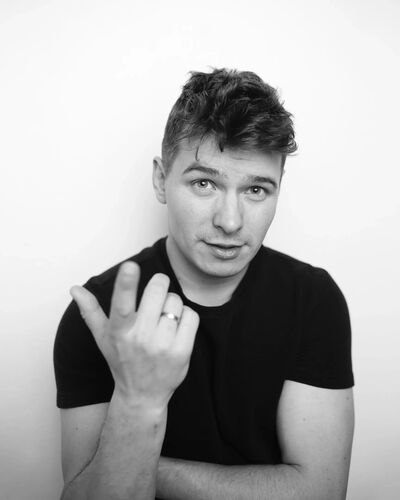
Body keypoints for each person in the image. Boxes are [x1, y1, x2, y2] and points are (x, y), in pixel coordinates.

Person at [54, 67, 355, 500]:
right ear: (161, 180)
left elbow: (320, 493)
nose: (230, 222)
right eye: (204, 183)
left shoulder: (313, 300)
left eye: (256, 190)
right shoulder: (99, 315)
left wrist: (133, 458)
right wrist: (139, 401)